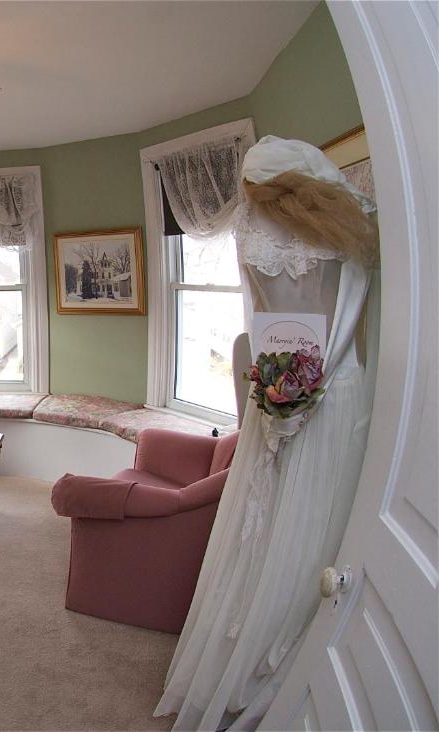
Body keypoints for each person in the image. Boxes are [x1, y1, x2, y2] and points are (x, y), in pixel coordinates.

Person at [155, 136, 378, 731]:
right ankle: (270, 654)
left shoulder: (258, 232)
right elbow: (322, 319)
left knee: (277, 524)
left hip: (284, 386)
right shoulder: (348, 222)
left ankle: (255, 650)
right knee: (308, 526)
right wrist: (301, 391)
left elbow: (269, 324)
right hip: (329, 391)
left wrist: (283, 393)